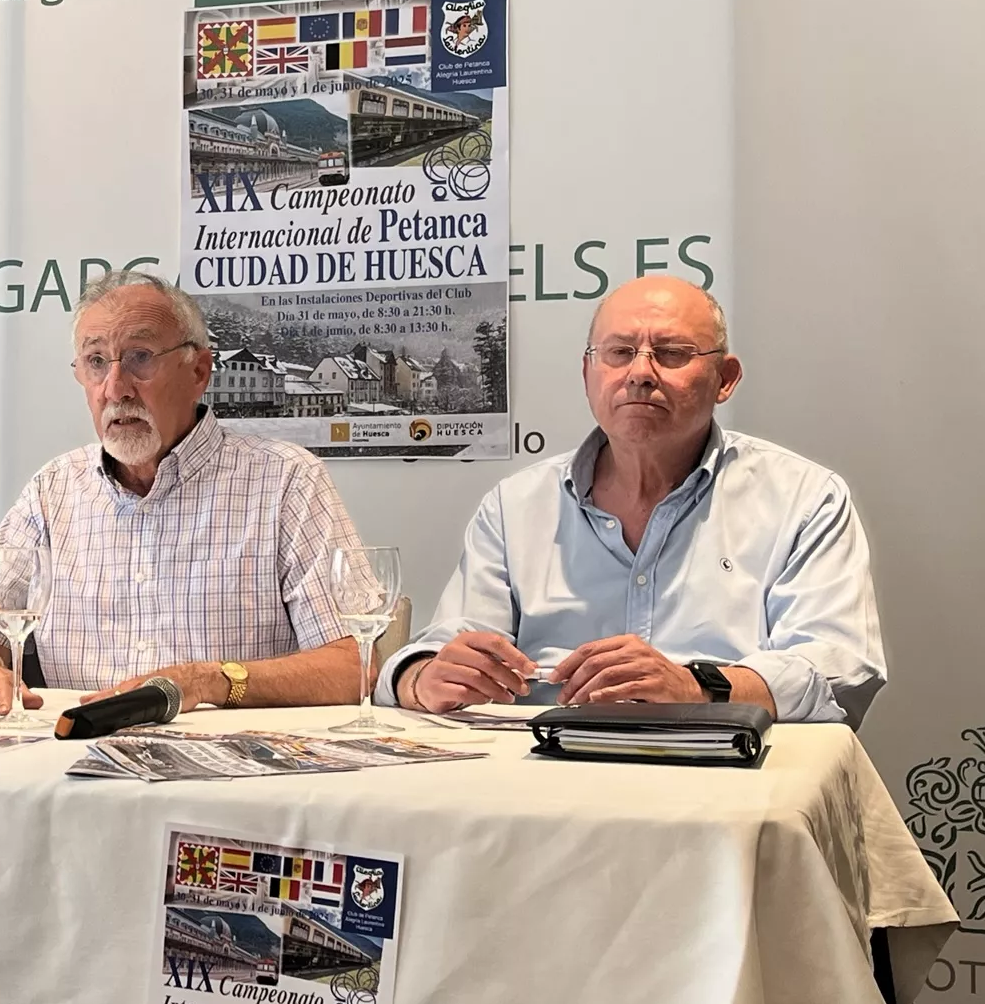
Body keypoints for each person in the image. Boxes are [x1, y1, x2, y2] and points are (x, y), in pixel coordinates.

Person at [377, 276, 884, 723]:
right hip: (540, 779)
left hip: (724, 780)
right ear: (588, 373)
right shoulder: (516, 506)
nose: (640, 372)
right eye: (619, 353)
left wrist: (697, 688)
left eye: (672, 354)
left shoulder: (803, 498)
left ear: (724, 379)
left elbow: (840, 669)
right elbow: (443, 646)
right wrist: (420, 678)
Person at [0, 269, 365, 715]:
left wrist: (206, 681)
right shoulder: (52, 491)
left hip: (230, 768)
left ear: (199, 371)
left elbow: (353, 664)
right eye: (95, 362)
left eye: (140, 358)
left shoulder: (287, 482)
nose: (115, 388)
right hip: (74, 762)